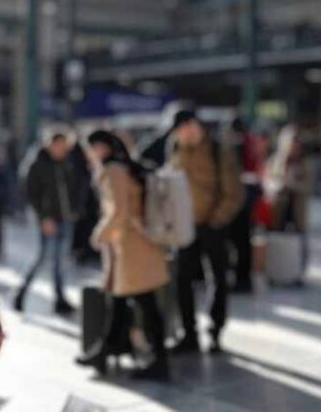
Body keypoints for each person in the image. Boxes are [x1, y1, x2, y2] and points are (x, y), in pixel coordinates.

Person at [75, 130, 171, 380]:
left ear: (100, 148)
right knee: (119, 301)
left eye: (91, 148)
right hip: (133, 246)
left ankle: (159, 362)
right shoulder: (123, 167)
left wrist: (99, 233)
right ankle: (105, 351)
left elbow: (118, 210)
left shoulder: (113, 171)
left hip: (131, 247)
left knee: (144, 303)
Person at [164, 110, 244, 353]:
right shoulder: (174, 148)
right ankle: (189, 333)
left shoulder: (218, 150)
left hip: (213, 225)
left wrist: (217, 219)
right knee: (181, 280)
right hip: (184, 226)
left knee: (217, 278)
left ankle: (215, 330)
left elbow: (234, 192)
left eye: (185, 128)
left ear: (195, 126)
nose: (183, 134)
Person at [14, 131, 79, 315]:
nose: (61, 149)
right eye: (58, 145)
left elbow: (74, 188)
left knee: (60, 261)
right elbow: (31, 194)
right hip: (49, 219)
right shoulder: (38, 164)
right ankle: (21, 293)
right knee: (43, 258)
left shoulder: (67, 164)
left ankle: (59, 299)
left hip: (66, 218)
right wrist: (43, 217)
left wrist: (75, 210)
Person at [266, 124, 314, 276]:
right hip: (279, 207)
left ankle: (298, 272)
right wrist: (276, 186)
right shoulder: (275, 161)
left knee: (300, 241)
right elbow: (268, 180)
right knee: (276, 239)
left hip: (297, 209)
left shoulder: (305, 163)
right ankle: (277, 270)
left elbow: (309, 185)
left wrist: (293, 184)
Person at [229, 117, 264, 293]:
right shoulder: (251, 142)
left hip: (240, 198)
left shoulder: (238, 145)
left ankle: (242, 279)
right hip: (250, 196)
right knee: (245, 241)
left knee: (240, 241)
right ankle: (244, 278)